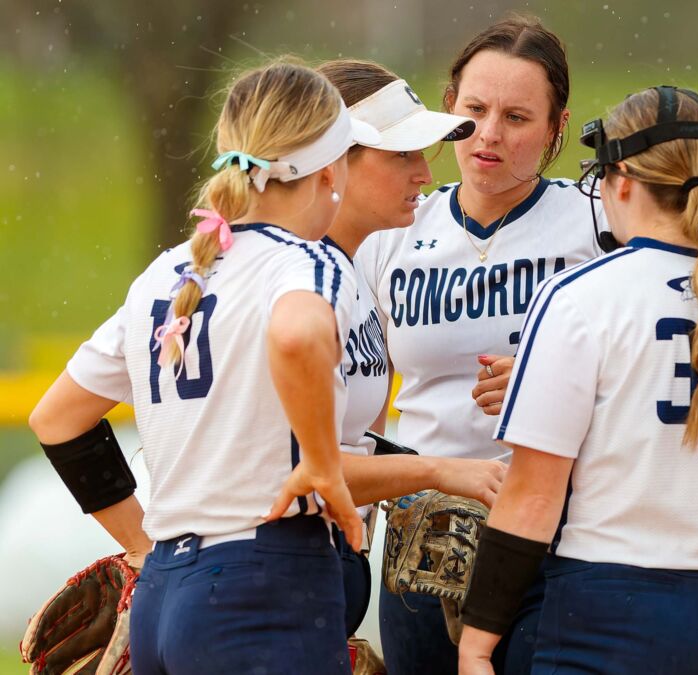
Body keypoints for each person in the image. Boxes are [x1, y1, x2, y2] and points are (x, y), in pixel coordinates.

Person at [456, 84, 698, 675]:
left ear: (622, 179)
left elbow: (533, 497)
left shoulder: (578, 298)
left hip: (613, 607)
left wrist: (476, 644)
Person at [27, 59, 380, 674]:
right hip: (263, 583)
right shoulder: (308, 262)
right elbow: (298, 335)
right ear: (330, 171)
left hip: (164, 591)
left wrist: (142, 545)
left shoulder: (167, 271)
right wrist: (325, 467)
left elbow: (56, 418)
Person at [352, 15, 606, 674]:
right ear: (448, 109)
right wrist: (360, 528)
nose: (490, 133)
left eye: (517, 117)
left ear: (556, 127)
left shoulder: (598, 222)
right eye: (475, 110)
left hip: (557, 534)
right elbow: (364, 397)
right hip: (421, 532)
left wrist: (553, 381)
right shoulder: (392, 231)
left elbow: (665, 361)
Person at [315, 58, 508, 646]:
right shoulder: (291, 279)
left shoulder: (352, 270)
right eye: (402, 154)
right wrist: (439, 472)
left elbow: (355, 436)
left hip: (323, 564)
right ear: (333, 160)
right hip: (269, 571)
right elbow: (297, 467)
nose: (425, 173)